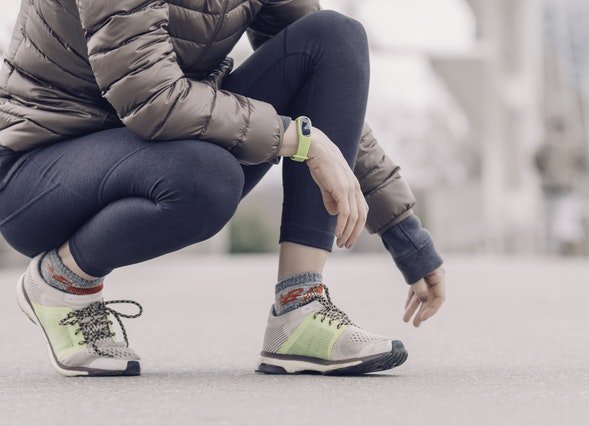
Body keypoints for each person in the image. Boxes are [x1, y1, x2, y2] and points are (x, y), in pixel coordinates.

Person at [0, 0, 446, 377]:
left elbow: (328, 102)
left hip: (161, 145)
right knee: (207, 178)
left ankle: (299, 306)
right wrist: (299, 140)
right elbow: (151, 97)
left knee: (335, 37)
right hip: (40, 169)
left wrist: (405, 234)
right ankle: (60, 283)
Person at [534, 119, 588, 256]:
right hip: (566, 186)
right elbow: (583, 162)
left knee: (552, 219)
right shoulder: (572, 144)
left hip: (549, 186)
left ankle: (557, 248)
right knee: (566, 218)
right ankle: (566, 247)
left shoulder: (546, 144)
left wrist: (545, 173)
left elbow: (536, 160)